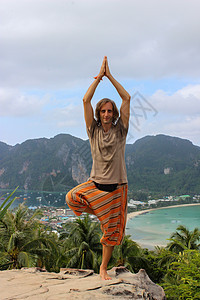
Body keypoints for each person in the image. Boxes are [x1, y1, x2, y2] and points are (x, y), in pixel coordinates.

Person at [66, 56, 130, 280]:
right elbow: (85, 100)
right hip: (96, 184)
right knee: (72, 197)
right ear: (98, 113)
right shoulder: (92, 131)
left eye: (110, 111)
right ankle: (103, 214)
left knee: (111, 234)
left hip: (117, 188)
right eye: (103, 111)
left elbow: (127, 97)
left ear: (114, 114)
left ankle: (103, 267)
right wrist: (98, 78)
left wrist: (110, 77)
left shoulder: (121, 130)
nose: (106, 114)